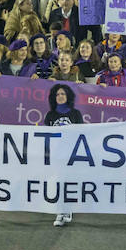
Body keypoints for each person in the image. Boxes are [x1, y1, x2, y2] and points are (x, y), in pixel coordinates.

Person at [44, 83, 84, 227]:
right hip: (56, 155)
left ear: (68, 97)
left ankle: (67, 210)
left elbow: (82, 134)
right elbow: (45, 136)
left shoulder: (75, 114)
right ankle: (60, 211)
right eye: (57, 94)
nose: (60, 97)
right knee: (58, 182)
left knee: (69, 182)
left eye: (63, 94)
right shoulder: (50, 115)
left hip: (71, 154)